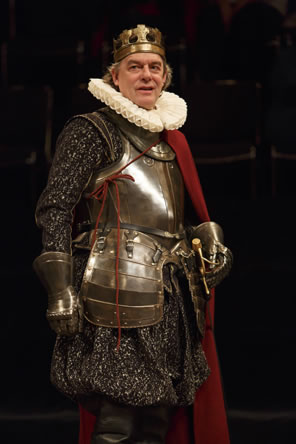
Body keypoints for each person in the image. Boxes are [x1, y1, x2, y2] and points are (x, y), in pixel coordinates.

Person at [33, 24, 233, 444]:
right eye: (135, 67)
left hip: (171, 289)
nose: (146, 75)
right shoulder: (92, 129)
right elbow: (56, 207)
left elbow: (179, 217)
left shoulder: (170, 137)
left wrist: (208, 237)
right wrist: (60, 289)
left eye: (155, 67)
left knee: (158, 422)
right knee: (118, 420)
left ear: (165, 77)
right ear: (115, 77)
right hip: (114, 287)